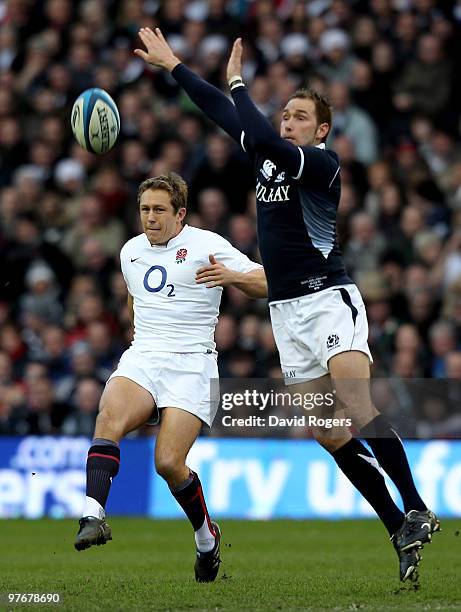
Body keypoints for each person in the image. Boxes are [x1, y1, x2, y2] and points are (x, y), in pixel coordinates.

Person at [134, 29, 440, 582]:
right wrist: (175, 66)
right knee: (326, 432)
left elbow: (248, 122)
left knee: (354, 402)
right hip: (286, 312)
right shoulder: (268, 158)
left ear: (320, 130)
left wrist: (238, 83)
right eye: (285, 115)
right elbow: (219, 114)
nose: (287, 121)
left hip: (329, 300)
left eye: (299, 116)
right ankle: (399, 526)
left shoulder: (321, 165)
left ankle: (417, 504)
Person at [74, 172, 267, 583]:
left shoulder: (207, 245)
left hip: (192, 363)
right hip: (144, 355)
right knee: (108, 418)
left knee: (168, 462)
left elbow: (265, 281)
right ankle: (93, 514)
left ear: (180, 214)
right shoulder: (130, 252)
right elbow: (134, 299)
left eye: (160, 210)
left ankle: (205, 538)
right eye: (145, 209)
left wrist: (232, 277)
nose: (150, 218)